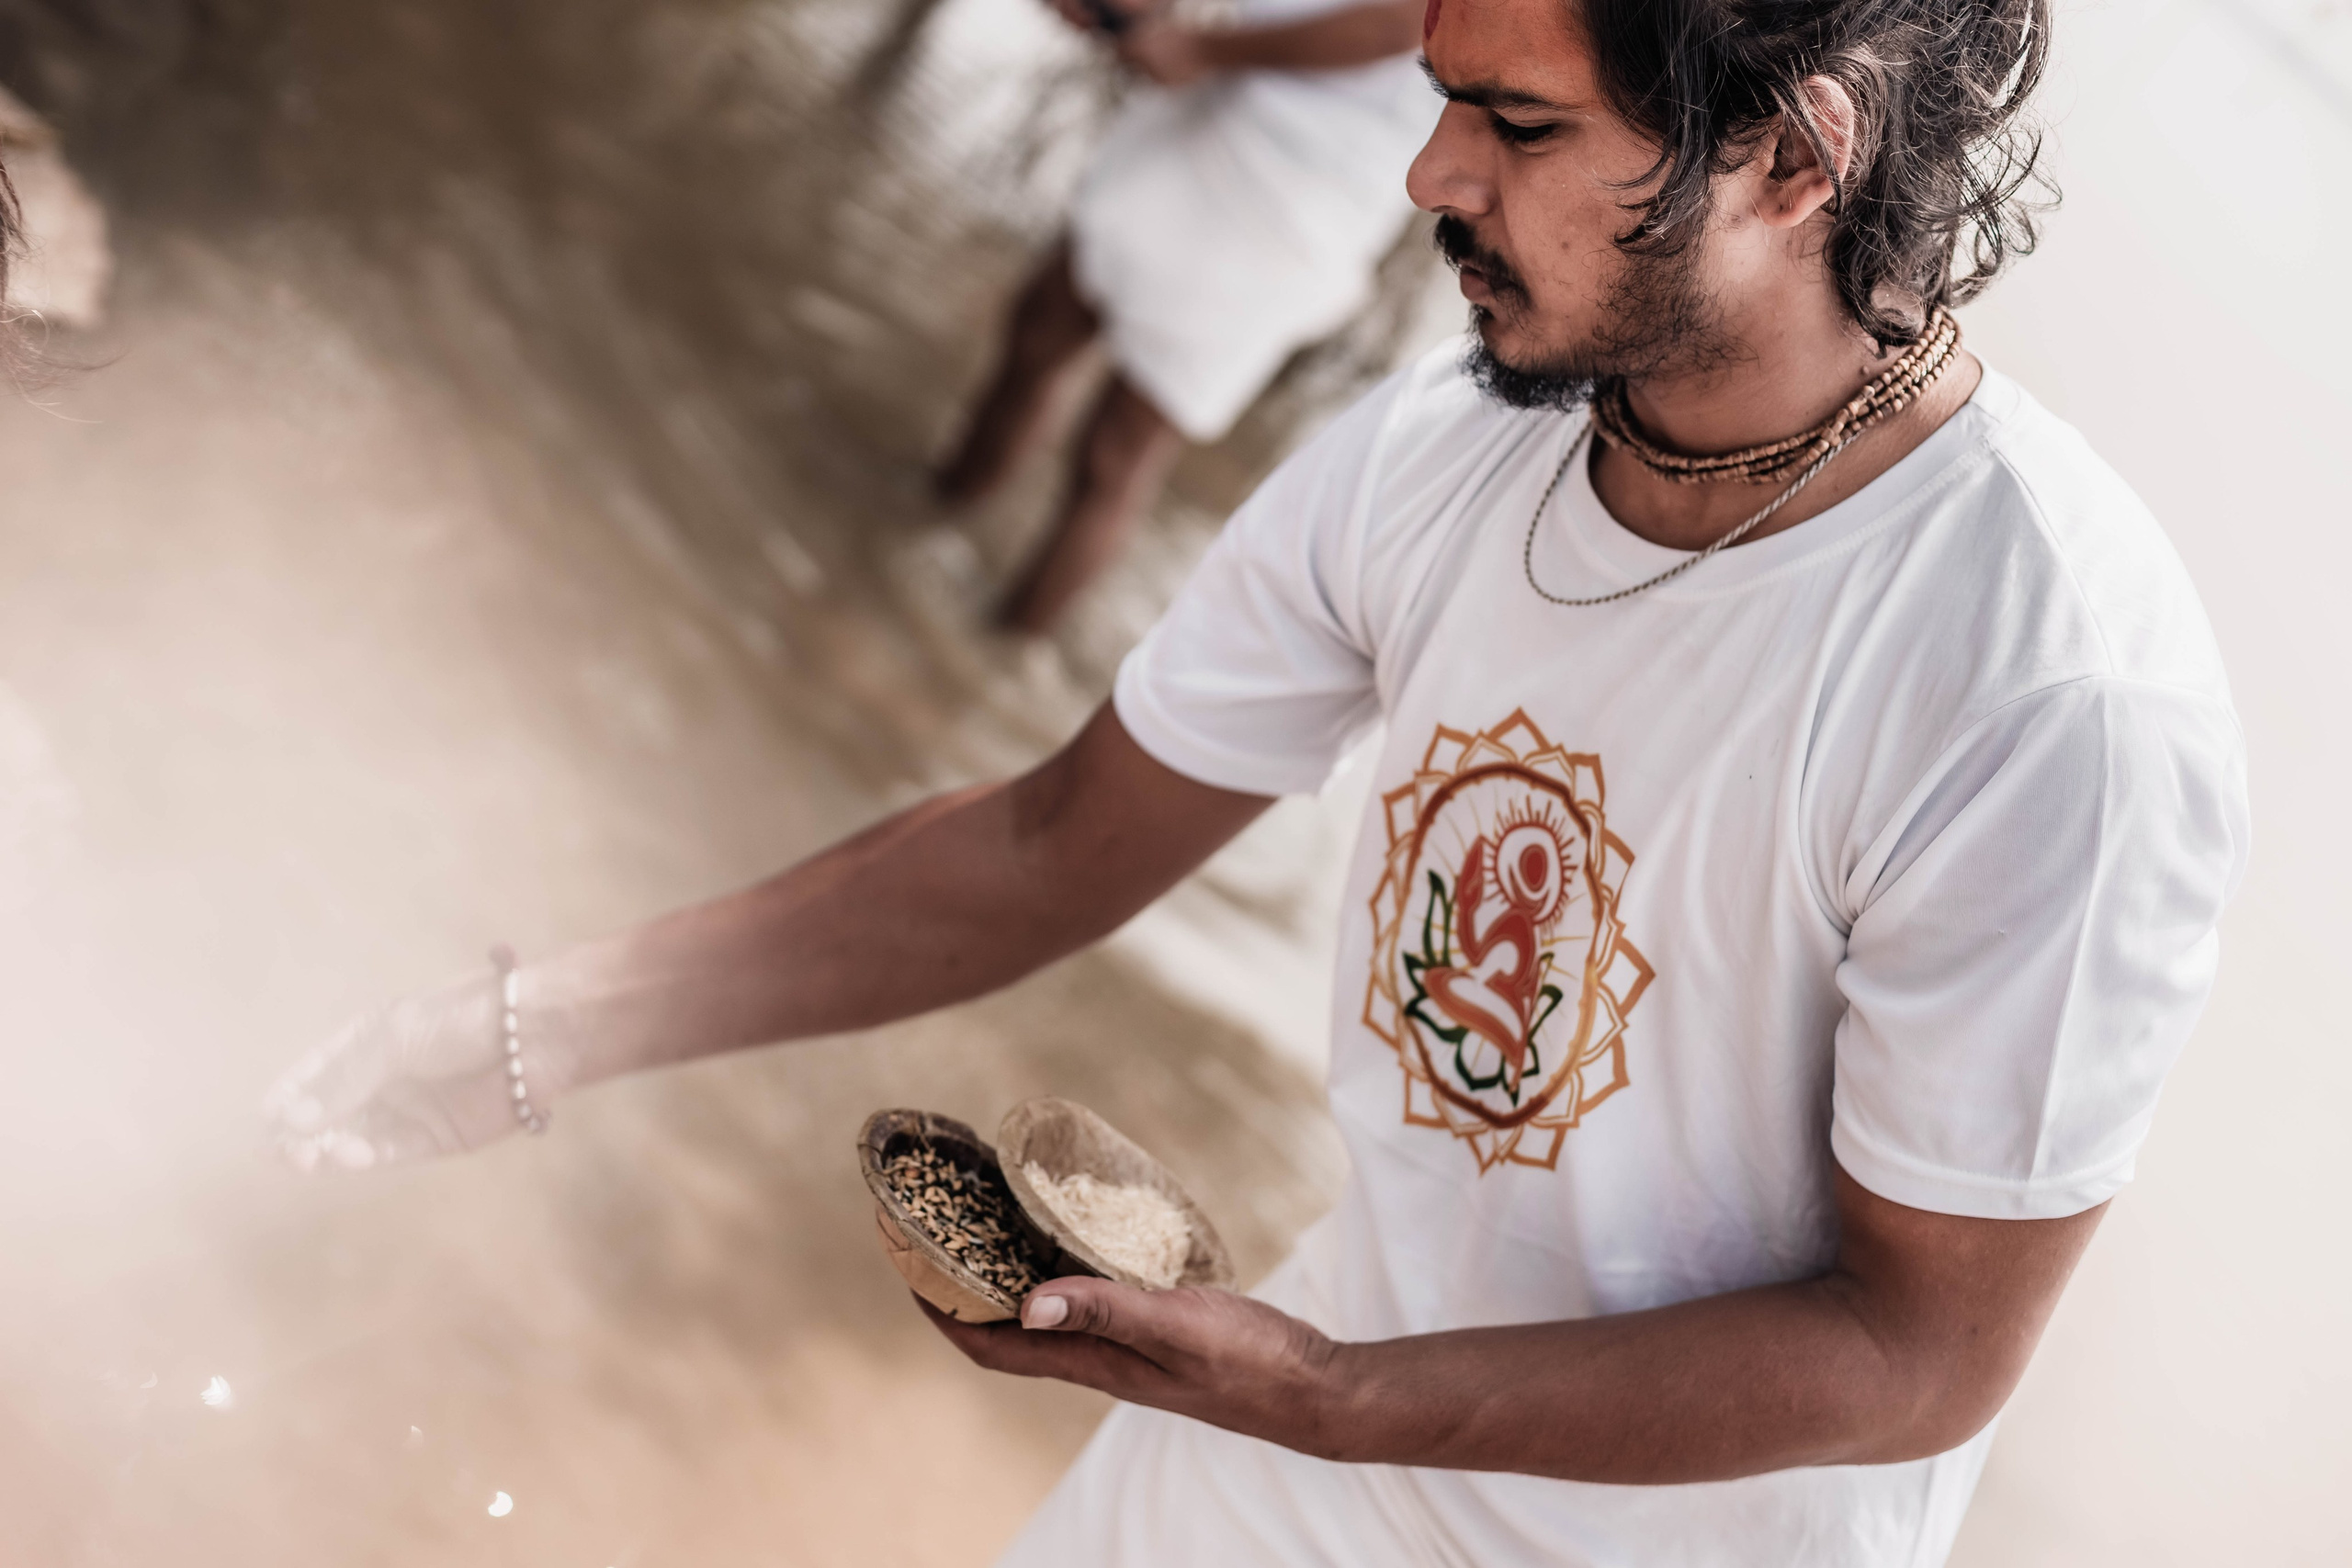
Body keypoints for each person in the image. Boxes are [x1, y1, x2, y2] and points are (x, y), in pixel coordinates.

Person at [265, 0, 2252, 1562]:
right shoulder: (1446, 446)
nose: (1424, 173)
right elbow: (1056, 837)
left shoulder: (2042, 686)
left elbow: (1913, 1352)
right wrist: (550, 1018)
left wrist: (1337, 1391)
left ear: (1787, 156)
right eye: (1439, 91)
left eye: (1518, 125)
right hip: (1265, 1467)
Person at [933, 0, 1436, 633]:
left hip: (1299, 191)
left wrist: (1203, 51)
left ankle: (999, 644)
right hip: (1209, 108)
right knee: (1040, 324)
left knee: (1115, 451)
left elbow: (1406, 20)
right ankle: (929, 510)